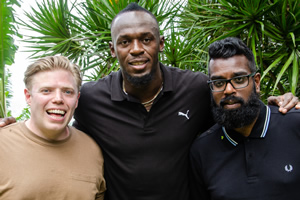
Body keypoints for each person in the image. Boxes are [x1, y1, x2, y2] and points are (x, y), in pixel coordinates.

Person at [0, 3, 299, 200]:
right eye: (125, 41)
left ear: (161, 43)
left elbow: (234, 97)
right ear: (113, 49)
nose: (136, 49)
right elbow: (57, 128)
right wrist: (14, 131)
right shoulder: (90, 98)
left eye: (146, 38)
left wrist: (279, 102)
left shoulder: (195, 87)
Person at [190, 37, 300, 200]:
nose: (228, 90)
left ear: (256, 82)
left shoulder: (295, 125)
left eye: (239, 79)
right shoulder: (202, 151)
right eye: (219, 82)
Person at [0, 56, 106, 199]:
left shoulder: (92, 150)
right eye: (46, 90)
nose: (58, 99)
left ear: (77, 100)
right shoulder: (3, 144)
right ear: (28, 96)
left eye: (67, 91)